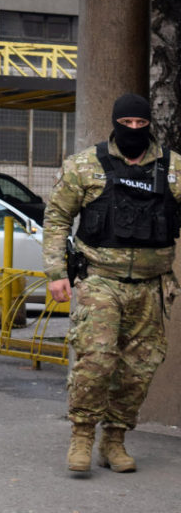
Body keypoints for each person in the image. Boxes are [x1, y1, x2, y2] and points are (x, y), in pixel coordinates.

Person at [44, 93, 181, 474]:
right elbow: (57, 218)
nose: (134, 129)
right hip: (101, 280)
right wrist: (56, 273)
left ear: (149, 124)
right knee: (97, 359)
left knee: (139, 368)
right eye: (127, 123)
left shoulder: (173, 168)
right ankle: (82, 435)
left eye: (141, 123)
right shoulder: (85, 166)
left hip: (151, 285)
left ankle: (115, 439)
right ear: (115, 123)